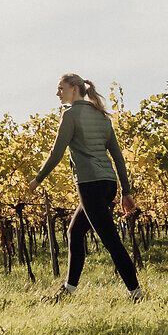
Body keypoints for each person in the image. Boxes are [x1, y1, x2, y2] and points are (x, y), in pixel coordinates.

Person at [29, 73, 144, 299]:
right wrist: (126, 191)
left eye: (60, 88)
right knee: (75, 231)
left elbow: (57, 152)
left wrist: (38, 179)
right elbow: (118, 157)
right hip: (108, 182)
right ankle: (68, 289)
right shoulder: (101, 116)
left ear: (74, 88)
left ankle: (136, 291)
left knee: (110, 239)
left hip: (89, 183)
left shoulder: (70, 115)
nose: (57, 93)